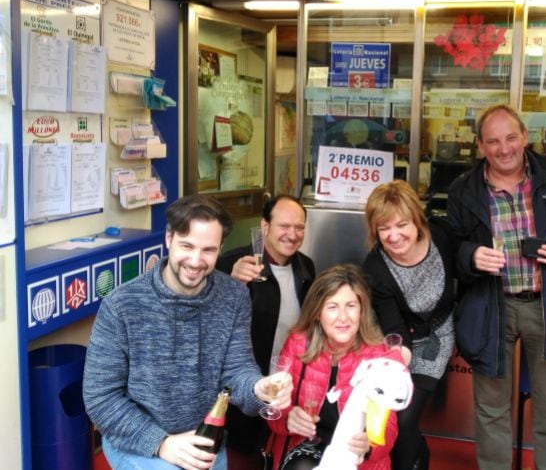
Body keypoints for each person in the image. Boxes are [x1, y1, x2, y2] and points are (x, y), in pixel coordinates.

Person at [83, 194, 293, 470]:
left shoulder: (234, 297)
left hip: (203, 438)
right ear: (169, 239)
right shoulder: (123, 305)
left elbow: (237, 370)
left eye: (208, 250)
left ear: (220, 248)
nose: (196, 261)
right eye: (186, 246)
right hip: (138, 441)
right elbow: (100, 397)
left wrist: (258, 388)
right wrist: (161, 443)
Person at [448, 105, 546, 470]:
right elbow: (448, 245)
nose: (504, 148)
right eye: (493, 141)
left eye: (511, 137)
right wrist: (470, 256)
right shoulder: (463, 189)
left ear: (525, 137)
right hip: (490, 307)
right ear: (481, 146)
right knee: (491, 412)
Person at [216, 194, 316, 470]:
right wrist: (228, 279)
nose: (292, 234)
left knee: (281, 448)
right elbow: (207, 309)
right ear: (264, 227)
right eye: (284, 226)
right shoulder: (235, 264)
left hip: (285, 380)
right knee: (242, 452)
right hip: (244, 380)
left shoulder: (305, 266)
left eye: (299, 227)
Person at [362, 180, 456, 470]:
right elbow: (392, 325)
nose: (393, 236)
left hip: (438, 336)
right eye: (384, 228)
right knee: (395, 415)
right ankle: (419, 458)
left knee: (404, 419)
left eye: (401, 224)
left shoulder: (441, 236)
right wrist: (399, 358)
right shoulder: (376, 267)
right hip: (397, 342)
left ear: (416, 219)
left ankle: (415, 459)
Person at [267, 264, 399, 470]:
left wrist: (370, 445)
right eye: (332, 307)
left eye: (351, 305)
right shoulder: (298, 343)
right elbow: (274, 408)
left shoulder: (379, 355)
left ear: (362, 310)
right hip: (305, 449)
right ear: (318, 312)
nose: (343, 317)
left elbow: (388, 425)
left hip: (354, 459)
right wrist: (287, 418)